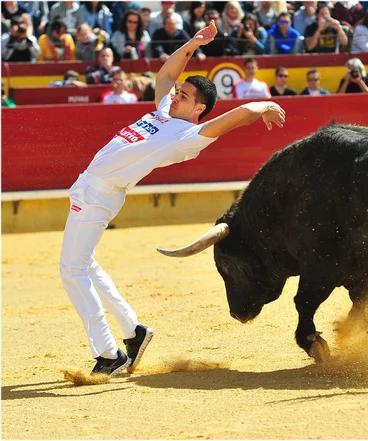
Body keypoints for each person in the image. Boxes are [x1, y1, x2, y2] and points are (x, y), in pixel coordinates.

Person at [59, 20, 285, 377]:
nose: (176, 94)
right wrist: (193, 42)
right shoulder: (164, 111)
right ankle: (134, 333)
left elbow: (237, 117)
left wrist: (266, 104)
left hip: (99, 194)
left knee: (71, 270)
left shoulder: (188, 135)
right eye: (179, 91)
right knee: (83, 265)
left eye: (185, 95)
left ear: (199, 108)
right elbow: (165, 75)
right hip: (90, 188)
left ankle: (108, 354)